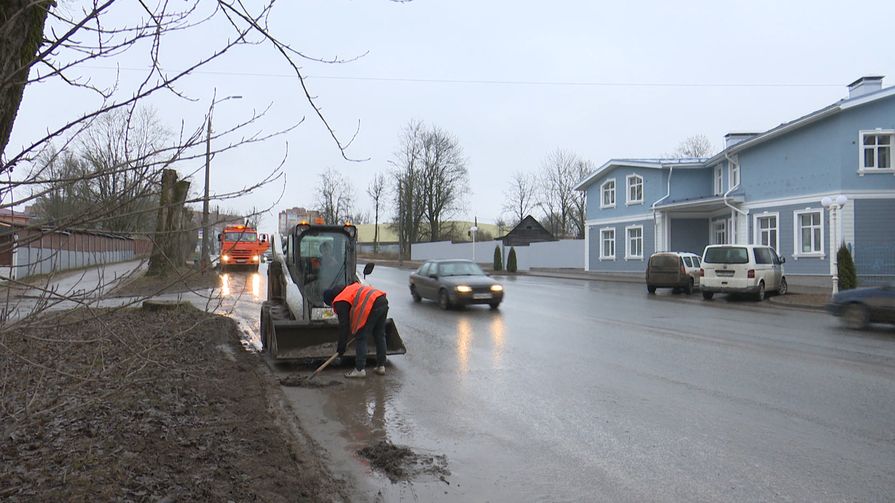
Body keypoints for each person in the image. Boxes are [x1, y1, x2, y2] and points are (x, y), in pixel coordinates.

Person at [323, 282, 389, 378]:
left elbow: (344, 326)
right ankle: (381, 366)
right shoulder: (349, 290)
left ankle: (360, 369)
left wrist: (341, 348)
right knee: (379, 334)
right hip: (381, 299)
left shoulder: (340, 300)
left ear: (331, 300)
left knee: (361, 336)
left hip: (371, 303)